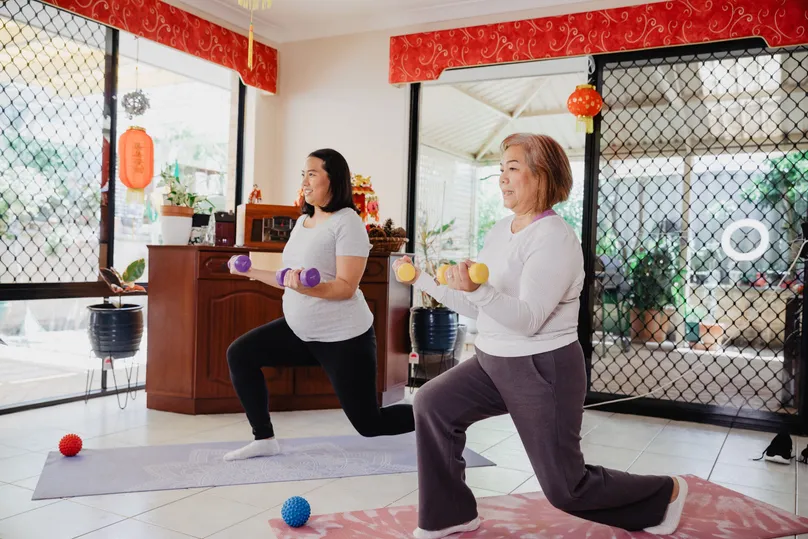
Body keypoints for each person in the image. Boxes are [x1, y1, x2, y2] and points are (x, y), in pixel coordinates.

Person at [394, 133, 686, 539]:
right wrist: (423, 277)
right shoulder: (500, 230)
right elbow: (482, 308)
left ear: (542, 176)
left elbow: (528, 318)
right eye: (501, 170)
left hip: (540, 368)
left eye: (513, 169)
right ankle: (449, 513)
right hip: (491, 362)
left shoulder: (555, 239)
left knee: (567, 488)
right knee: (432, 402)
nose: (503, 179)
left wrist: (479, 289)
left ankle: (664, 494)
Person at [224, 148, 414, 461]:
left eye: (312, 174)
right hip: (300, 331)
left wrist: (304, 288)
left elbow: (344, 287)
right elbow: (289, 278)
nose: (305, 181)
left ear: (334, 180)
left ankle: (438, 412)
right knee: (240, 354)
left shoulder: (347, 223)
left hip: (343, 338)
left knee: (369, 423)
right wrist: (250, 272)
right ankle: (264, 438)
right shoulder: (304, 222)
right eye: (304, 174)